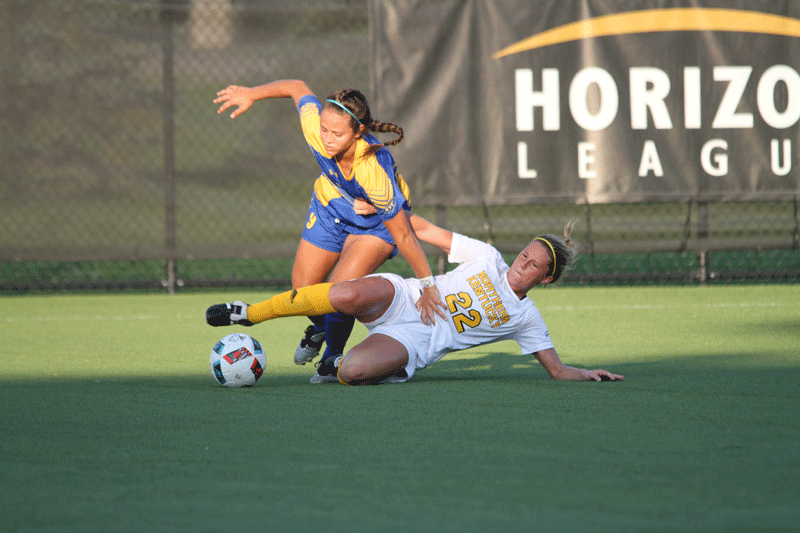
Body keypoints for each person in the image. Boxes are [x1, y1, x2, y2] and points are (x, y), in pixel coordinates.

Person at [206, 216, 624, 385]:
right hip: (405, 297)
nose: (523, 262)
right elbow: (424, 229)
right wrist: (386, 208)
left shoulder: (526, 317)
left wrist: (587, 375)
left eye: (533, 265)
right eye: (525, 253)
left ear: (545, 279)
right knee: (347, 292)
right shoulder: (487, 257)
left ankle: (334, 362)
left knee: (351, 374)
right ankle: (252, 313)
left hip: (415, 342)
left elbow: (557, 369)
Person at [214, 80, 445, 382]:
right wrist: (251, 95)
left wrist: (429, 286)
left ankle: (330, 357)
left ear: (358, 131)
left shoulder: (371, 170)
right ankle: (323, 327)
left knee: (339, 289)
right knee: (305, 285)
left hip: (376, 224)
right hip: (330, 207)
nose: (327, 138)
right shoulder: (316, 130)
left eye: (337, 134)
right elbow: (298, 87)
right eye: (324, 129)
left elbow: (403, 234)